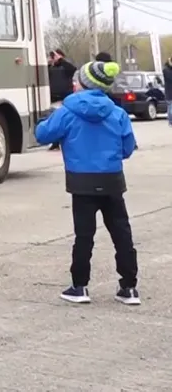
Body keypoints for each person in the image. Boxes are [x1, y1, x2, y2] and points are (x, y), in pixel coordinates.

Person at [35, 60, 140, 305]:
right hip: (112, 180)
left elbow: (42, 135)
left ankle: (79, 286)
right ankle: (129, 287)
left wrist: (46, 120)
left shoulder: (67, 111)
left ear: (81, 84)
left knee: (84, 235)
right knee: (121, 233)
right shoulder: (118, 113)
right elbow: (127, 148)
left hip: (81, 182)